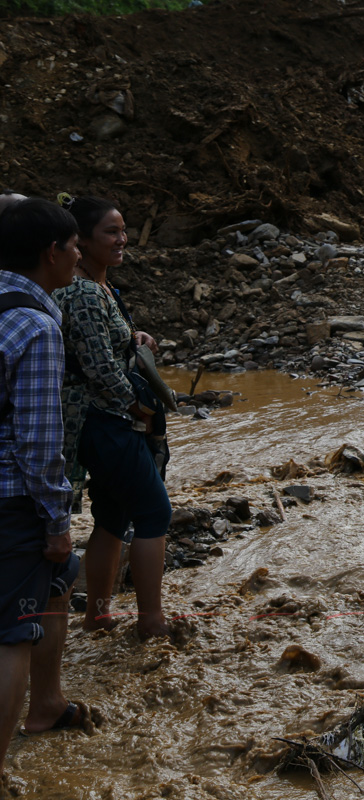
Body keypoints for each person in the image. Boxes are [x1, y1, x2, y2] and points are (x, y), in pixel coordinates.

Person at [55, 195, 171, 640]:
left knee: (111, 518)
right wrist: (137, 406)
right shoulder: (83, 292)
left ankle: (98, 617)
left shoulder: (97, 286)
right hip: (103, 422)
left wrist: (134, 338)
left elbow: (103, 346)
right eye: (111, 231)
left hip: (102, 420)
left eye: (124, 230)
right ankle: (151, 622)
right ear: (80, 241)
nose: (123, 239)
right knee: (154, 512)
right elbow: (99, 368)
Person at [0, 197, 87, 790]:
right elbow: (37, 440)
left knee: (57, 585)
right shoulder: (36, 326)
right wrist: (56, 517)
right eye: (74, 245)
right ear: (50, 254)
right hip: (11, 504)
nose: (79, 255)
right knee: (11, 634)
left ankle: (48, 704)